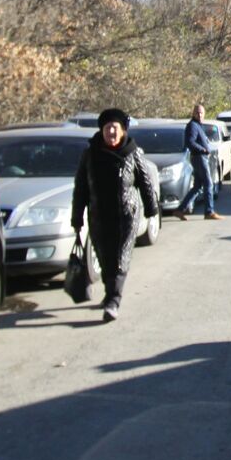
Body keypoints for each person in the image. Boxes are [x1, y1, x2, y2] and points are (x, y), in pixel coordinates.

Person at [71, 108, 160, 322]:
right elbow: (81, 187)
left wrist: (151, 209)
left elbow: (145, 182)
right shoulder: (90, 153)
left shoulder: (132, 152)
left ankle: (113, 300)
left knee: (121, 257)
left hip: (126, 215)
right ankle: (110, 291)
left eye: (115, 128)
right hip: (98, 214)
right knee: (104, 257)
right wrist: (77, 216)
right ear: (102, 130)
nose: (111, 132)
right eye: (107, 128)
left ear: (122, 131)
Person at [176, 103, 223, 220]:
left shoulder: (198, 125)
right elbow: (190, 142)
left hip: (201, 157)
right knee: (208, 183)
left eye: (201, 112)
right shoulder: (192, 126)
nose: (200, 114)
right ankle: (209, 212)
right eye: (197, 112)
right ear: (193, 113)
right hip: (199, 157)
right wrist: (202, 149)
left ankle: (180, 210)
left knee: (197, 186)